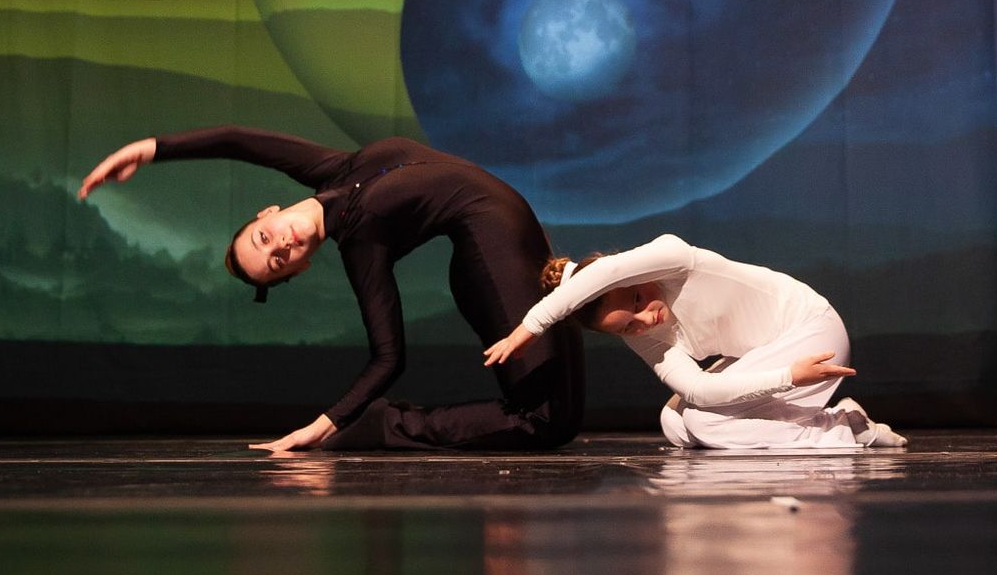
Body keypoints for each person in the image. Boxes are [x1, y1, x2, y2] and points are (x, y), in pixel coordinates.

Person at [78, 127, 583, 453]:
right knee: (549, 421)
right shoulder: (361, 241)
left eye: (265, 237)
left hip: (513, 235)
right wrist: (327, 423)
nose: (281, 244)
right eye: (278, 261)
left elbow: (238, 142)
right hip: (490, 259)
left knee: (557, 414)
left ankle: (382, 424)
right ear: (298, 268)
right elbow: (388, 356)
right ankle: (385, 425)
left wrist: (150, 149)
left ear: (267, 213)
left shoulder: (333, 170)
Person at [482, 233, 905, 450]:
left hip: (812, 331)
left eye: (637, 298)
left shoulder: (674, 257)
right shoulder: (644, 336)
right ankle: (838, 421)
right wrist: (785, 375)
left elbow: (604, 273)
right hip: (780, 361)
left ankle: (839, 434)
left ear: (630, 277)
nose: (646, 320)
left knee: (705, 421)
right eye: (629, 326)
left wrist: (531, 326)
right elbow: (698, 388)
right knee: (676, 420)